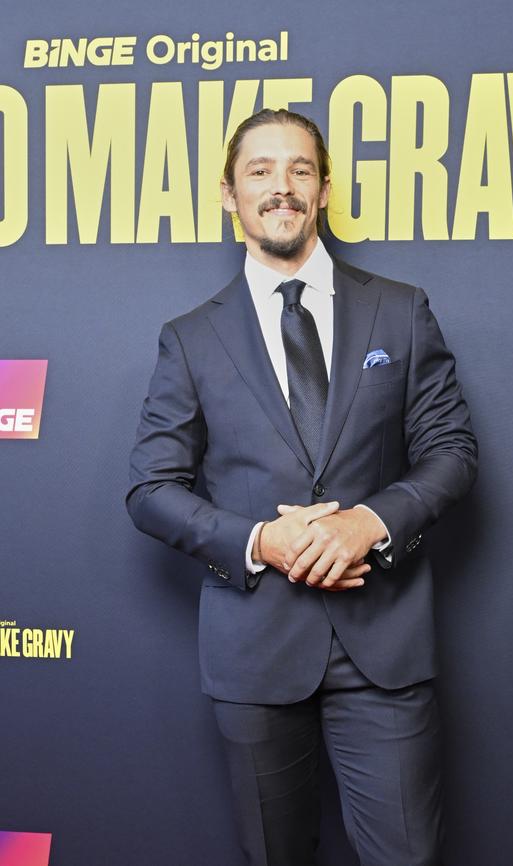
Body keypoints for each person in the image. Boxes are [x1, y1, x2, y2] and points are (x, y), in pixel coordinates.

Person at [126, 107, 478, 866]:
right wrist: (262, 541)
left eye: (299, 170)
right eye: (260, 171)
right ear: (229, 194)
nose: (280, 188)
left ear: (323, 190)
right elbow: (152, 488)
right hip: (255, 649)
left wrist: (371, 523)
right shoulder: (189, 338)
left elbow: (451, 451)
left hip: (383, 647)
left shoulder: (401, 309)